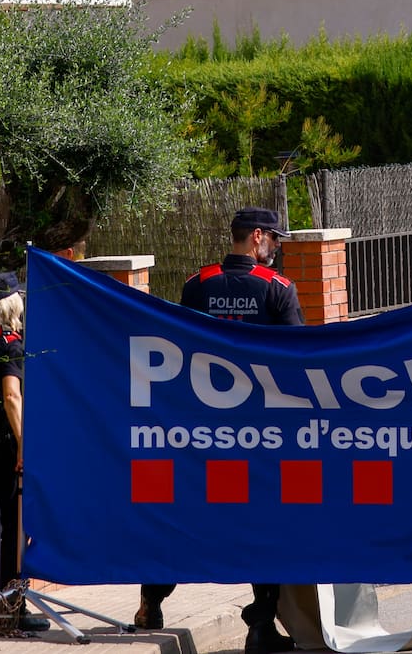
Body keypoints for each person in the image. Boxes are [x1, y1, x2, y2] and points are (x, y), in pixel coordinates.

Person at [135, 207, 301, 654]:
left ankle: (152, 600)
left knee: (185, 515)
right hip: (257, 434)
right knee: (259, 523)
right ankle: (260, 627)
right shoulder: (278, 290)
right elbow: (297, 362)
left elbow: (180, 351)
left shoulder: (197, 284)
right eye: (275, 241)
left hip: (202, 432)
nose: (278, 249)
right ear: (258, 238)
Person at [0, 272, 49, 632]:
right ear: (11, 304)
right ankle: (9, 608)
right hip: (0, 446)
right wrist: (23, 441)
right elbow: (11, 396)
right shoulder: (9, 343)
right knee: (10, 528)